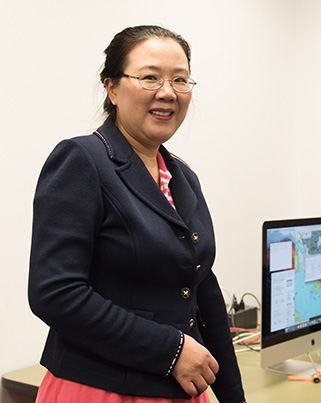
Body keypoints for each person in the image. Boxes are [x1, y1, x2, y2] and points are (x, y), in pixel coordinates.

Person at [28, 25, 246, 403]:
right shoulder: (82, 160)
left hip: (182, 388)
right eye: (150, 77)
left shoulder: (181, 176)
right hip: (100, 390)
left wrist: (233, 396)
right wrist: (172, 350)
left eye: (180, 80)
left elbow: (202, 289)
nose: (167, 92)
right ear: (111, 87)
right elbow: (55, 293)